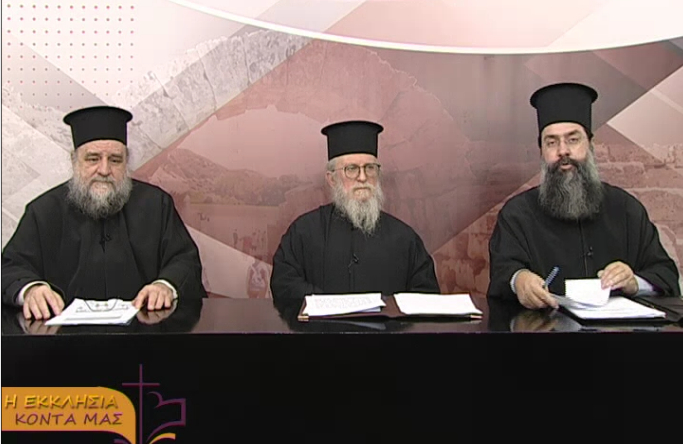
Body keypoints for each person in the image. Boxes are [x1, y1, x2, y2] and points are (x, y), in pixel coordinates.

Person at [1, 105, 207, 320]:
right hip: (62, 337)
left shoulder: (156, 204)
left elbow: (185, 261)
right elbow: (10, 267)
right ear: (74, 160)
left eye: (115, 160)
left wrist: (165, 286)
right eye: (93, 159)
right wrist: (31, 290)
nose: (105, 170)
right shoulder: (43, 211)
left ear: (126, 162)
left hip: (145, 332)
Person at [488, 82, 681, 309]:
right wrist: (519, 280)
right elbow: (503, 273)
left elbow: (665, 274)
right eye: (551, 142)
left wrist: (634, 283)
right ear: (541, 150)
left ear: (590, 144)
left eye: (573, 139)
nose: (563, 151)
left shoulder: (626, 209)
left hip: (620, 332)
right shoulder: (517, 214)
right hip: (543, 329)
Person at [270, 120, 440, 300]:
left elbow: (427, 295)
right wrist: (330, 306)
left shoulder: (405, 239)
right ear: (332, 179)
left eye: (370, 168)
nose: (362, 177)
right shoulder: (303, 232)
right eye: (351, 169)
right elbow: (284, 285)